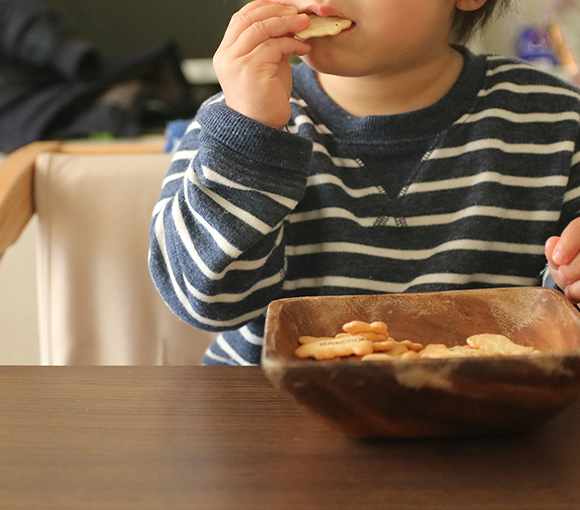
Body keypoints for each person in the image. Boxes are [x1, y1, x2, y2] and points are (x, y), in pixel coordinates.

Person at [149, 0, 580, 366]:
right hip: (271, 421)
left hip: (487, 419)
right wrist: (251, 135)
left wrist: (570, 281)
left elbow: (561, 315)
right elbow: (203, 303)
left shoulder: (558, 121)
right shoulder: (235, 122)